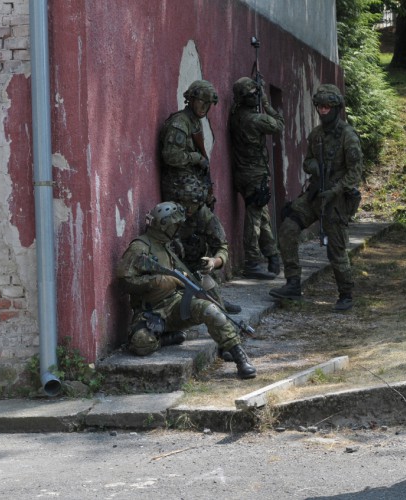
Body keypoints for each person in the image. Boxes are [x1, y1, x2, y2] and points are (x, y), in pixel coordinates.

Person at [115, 201, 256, 379]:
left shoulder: (168, 246)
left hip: (175, 304)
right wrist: (159, 281)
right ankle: (167, 338)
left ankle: (239, 356)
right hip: (151, 311)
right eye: (175, 225)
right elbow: (125, 280)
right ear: (164, 225)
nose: (178, 229)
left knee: (211, 310)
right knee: (140, 343)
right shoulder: (140, 247)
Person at [269, 84, 363, 311]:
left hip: (337, 199)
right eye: (320, 106)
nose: (323, 110)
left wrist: (336, 190)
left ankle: (346, 294)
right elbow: (307, 160)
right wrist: (314, 166)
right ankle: (292, 283)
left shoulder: (348, 136)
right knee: (288, 228)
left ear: (336, 108)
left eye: (327, 107)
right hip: (315, 195)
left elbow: (355, 171)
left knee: (336, 250)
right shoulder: (316, 135)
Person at [229, 76, 284, 280]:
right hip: (254, 175)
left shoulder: (235, 114)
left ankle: (271, 255)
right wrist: (267, 103)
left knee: (262, 216)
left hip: (243, 173)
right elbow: (279, 124)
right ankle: (252, 261)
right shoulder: (255, 119)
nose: (255, 97)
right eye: (252, 94)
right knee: (254, 217)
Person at [166, 176, 242, 315]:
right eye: (184, 203)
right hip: (171, 269)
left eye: (192, 203)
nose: (188, 208)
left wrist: (214, 261)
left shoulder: (206, 217)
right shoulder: (166, 213)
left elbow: (222, 247)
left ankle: (214, 299)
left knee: (217, 312)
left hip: (196, 269)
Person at [159, 80, 219, 208]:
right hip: (178, 186)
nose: (204, 107)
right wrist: (197, 158)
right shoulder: (180, 122)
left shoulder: (195, 123)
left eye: (208, 103)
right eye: (201, 101)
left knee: (214, 226)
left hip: (192, 184)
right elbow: (171, 156)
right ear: (191, 99)